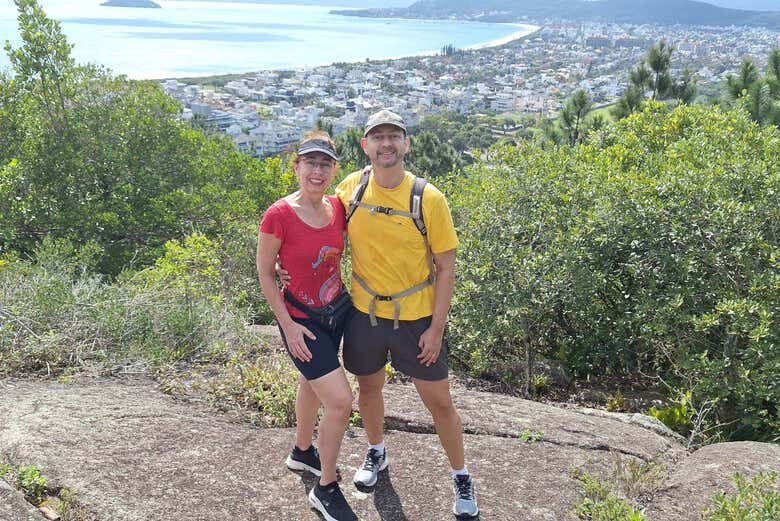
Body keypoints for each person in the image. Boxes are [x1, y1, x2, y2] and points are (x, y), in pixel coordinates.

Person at [335, 109, 479, 518]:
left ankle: (461, 475)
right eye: (377, 137)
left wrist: (436, 328)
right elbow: (318, 228)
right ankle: (376, 451)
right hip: (365, 313)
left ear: (406, 144)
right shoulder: (352, 188)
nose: (386, 144)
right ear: (365, 146)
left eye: (393, 137)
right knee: (369, 389)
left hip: (416, 319)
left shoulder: (428, 198)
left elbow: (446, 266)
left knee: (440, 404)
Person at [256, 131, 357, 521]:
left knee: (310, 384)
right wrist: (288, 326)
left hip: (337, 311)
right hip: (301, 320)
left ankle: (302, 452)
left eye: (325, 163)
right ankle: (326, 487)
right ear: (296, 166)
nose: (317, 170)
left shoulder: (337, 207)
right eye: (310, 162)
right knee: (340, 401)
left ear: (334, 169)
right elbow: (266, 274)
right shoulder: (278, 214)